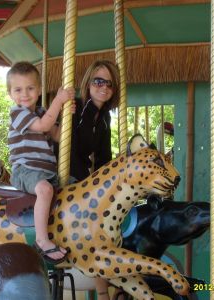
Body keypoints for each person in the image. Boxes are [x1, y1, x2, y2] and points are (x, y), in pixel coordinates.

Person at [7, 61, 75, 264]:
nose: (25, 94)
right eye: (18, 89)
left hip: (47, 171)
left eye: (30, 88)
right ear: (11, 94)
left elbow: (56, 135)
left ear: (38, 90)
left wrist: (65, 115)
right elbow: (44, 125)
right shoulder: (17, 113)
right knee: (45, 191)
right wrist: (59, 101)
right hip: (25, 170)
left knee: (77, 186)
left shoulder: (41, 111)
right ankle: (42, 239)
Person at [69, 60, 121, 299]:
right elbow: (71, 148)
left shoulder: (104, 118)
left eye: (109, 83)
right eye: (98, 81)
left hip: (83, 177)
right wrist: (86, 183)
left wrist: (108, 184)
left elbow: (104, 157)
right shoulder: (78, 107)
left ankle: (108, 288)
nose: (104, 87)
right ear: (88, 83)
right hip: (68, 172)